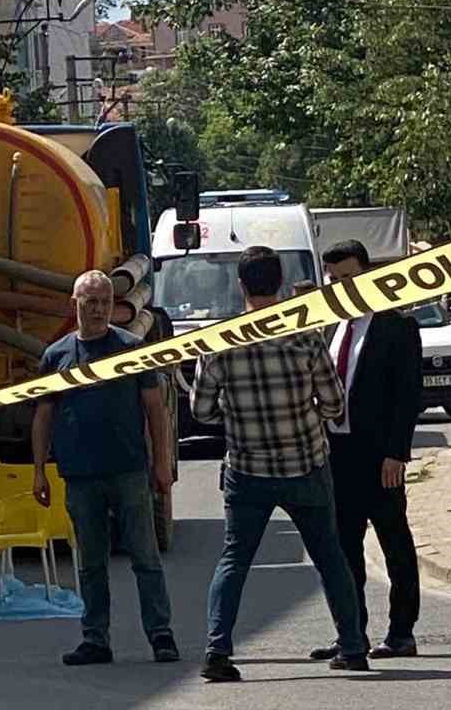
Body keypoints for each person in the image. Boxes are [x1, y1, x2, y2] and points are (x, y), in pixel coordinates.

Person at [190, 245, 368, 683]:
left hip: (247, 471)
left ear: (240, 285)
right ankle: (353, 646)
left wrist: (238, 416)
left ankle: (218, 650)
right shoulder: (305, 335)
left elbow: (201, 410)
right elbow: (333, 402)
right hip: (305, 464)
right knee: (330, 556)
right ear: (282, 282)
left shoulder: (219, 340)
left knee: (235, 560)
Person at [32, 270, 178, 667]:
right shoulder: (56, 356)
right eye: (90, 301)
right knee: (90, 562)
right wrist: (39, 469)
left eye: (104, 302)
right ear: (74, 304)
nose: (97, 309)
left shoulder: (131, 349)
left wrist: (161, 464)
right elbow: (44, 415)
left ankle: (161, 635)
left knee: (145, 558)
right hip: (80, 476)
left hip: (129, 470)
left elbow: (155, 410)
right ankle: (95, 639)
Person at [314, 238, 423, 661]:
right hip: (338, 454)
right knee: (343, 549)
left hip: (380, 457)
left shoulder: (396, 327)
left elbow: (407, 396)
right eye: (334, 279)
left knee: (395, 543)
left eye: (349, 277)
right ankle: (350, 633)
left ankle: (401, 633)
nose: (342, 285)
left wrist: (397, 453)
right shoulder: (331, 328)